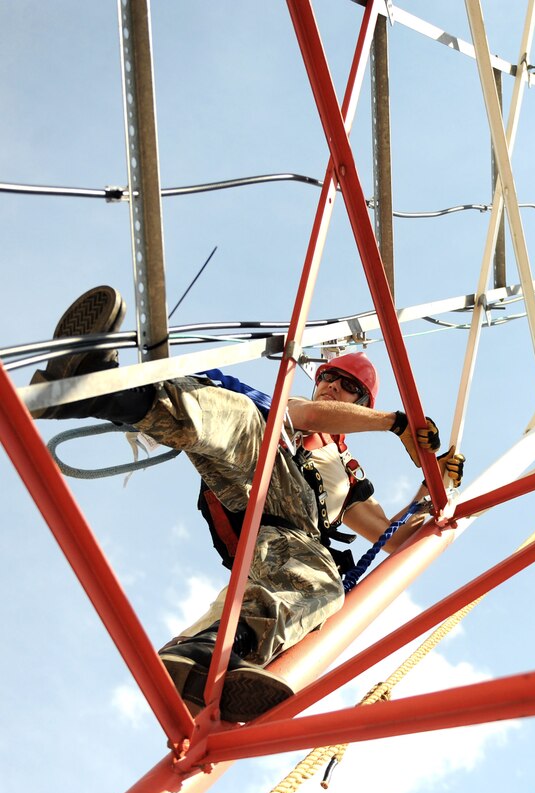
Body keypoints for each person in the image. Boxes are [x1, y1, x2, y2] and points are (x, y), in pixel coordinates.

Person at [30, 285, 464, 723]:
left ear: (361, 401)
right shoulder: (291, 412)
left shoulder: (349, 474)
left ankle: (215, 652)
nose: (332, 386)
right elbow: (307, 416)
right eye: (328, 377)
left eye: (348, 385)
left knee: (322, 585)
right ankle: (90, 387)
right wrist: (396, 423)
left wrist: (429, 493)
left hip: (289, 529)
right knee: (233, 416)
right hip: (254, 468)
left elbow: (396, 539)